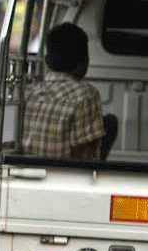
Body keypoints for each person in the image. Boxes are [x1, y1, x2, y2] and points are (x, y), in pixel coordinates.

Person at [23, 23, 117, 160]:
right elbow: (82, 151)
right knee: (110, 122)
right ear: (84, 62)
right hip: (66, 171)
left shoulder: (31, 91)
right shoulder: (85, 94)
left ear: (47, 62)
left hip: (31, 165)